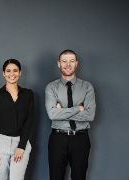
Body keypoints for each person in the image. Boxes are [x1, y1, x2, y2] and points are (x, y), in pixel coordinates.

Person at [45, 49, 96, 180]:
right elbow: (52, 114)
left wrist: (61, 112)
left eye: (71, 61)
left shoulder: (87, 87)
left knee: (79, 177)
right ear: (58, 64)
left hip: (81, 139)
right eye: (64, 61)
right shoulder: (51, 87)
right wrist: (78, 108)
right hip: (58, 138)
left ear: (77, 63)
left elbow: (90, 115)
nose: (68, 64)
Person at [0, 59, 34, 180]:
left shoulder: (28, 94)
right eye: (8, 71)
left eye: (15, 70)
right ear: (3, 73)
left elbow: (29, 121)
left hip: (21, 142)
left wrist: (22, 146)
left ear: (20, 72)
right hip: (0, 143)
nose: (11, 74)